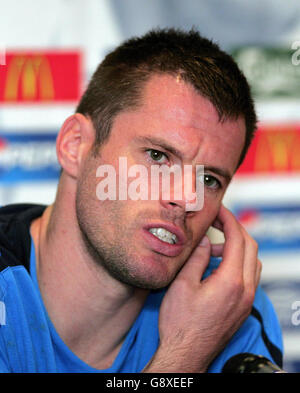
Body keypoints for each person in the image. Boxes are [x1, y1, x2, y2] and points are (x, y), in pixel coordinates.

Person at [0, 28, 283, 373]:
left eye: (209, 179)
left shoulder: (226, 310)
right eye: (158, 156)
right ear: (75, 145)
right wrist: (186, 352)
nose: (185, 197)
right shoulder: (206, 327)